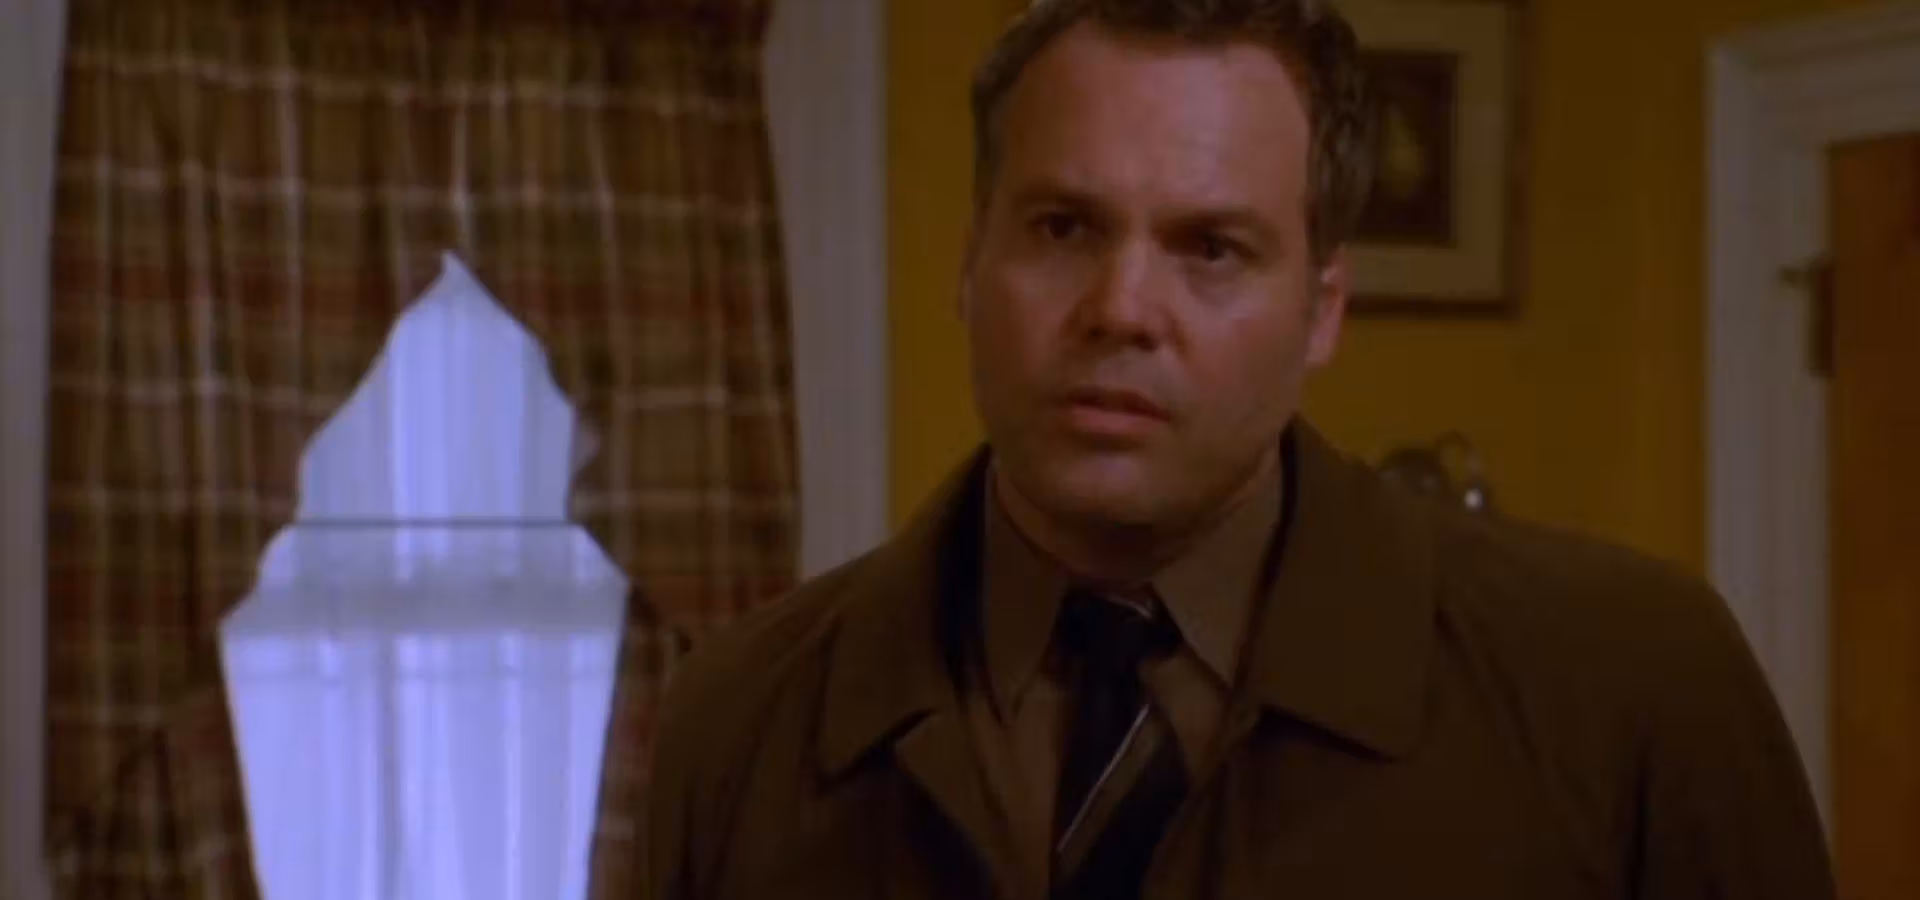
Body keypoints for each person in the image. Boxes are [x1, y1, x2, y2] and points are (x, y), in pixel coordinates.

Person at [642, 0, 1834, 897]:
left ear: (1321, 310)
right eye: (1062, 227)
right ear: (970, 265)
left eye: (1210, 248)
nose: (1121, 309)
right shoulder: (745, 715)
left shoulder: (1630, 687)